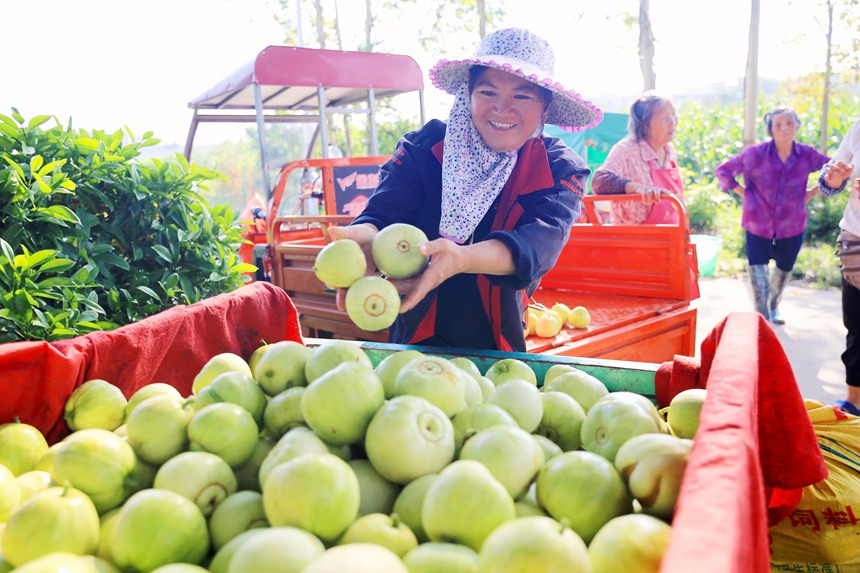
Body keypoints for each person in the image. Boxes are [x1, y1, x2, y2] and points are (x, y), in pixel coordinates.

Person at [327, 27, 602, 352]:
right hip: (411, 341)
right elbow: (383, 214)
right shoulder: (424, 147)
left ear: (545, 105)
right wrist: (364, 235)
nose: (502, 109)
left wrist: (462, 257)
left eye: (522, 95)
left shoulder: (559, 167)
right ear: (468, 94)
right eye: (488, 92)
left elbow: (537, 248)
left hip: (499, 347)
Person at [715, 107, 847, 325]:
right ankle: (761, 316)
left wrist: (814, 192)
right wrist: (744, 193)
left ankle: (773, 305)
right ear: (770, 129)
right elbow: (724, 171)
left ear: (796, 126)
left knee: (785, 267)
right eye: (778, 124)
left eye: (789, 123)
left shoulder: (806, 154)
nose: (784, 128)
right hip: (757, 222)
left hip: (792, 222)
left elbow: (831, 169)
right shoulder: (756, 154)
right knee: (757, 267)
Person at [818, 119, 860, 414]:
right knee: (857, 325)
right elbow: (828, 181)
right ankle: (854, 399)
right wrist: (834, 178)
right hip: (856, 244)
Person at [591, 93, 684, 225]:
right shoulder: (626, 149)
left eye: (673, 114)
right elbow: (599, 181)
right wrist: (636, 188)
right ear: (645, 126)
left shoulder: (669, 150)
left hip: (670, 234)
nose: (673, 121)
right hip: (635, 239)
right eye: (664, 118)